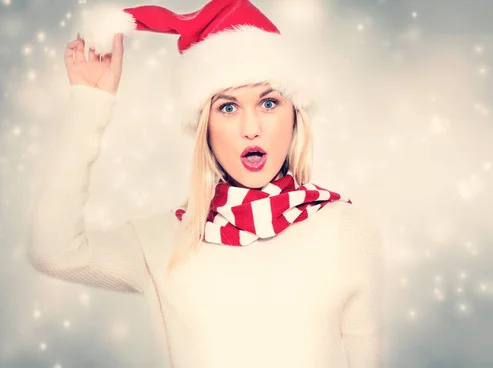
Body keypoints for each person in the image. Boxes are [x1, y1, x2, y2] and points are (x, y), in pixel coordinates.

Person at [27, 0, 383, 367]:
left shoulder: (346, 231)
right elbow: (54, 251)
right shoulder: (163, 241)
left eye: (269, 103)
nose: (251, 128)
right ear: (204, 128)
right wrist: (90, 105)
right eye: (228, 107)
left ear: (294, 116)